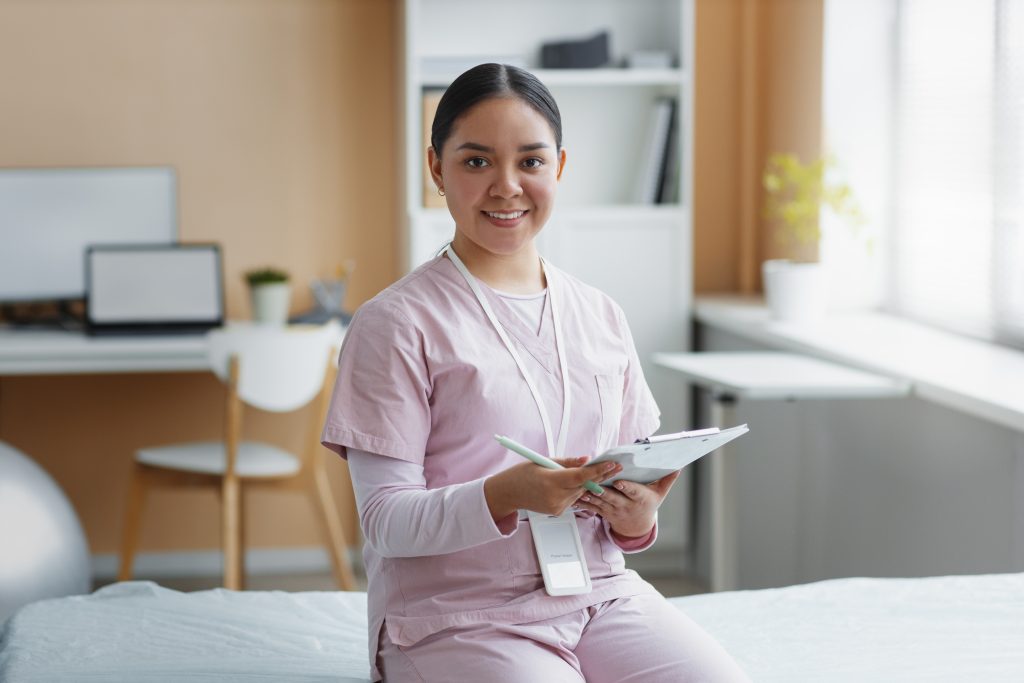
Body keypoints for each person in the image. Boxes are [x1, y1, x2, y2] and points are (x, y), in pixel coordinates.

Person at [321, 63, 749, 683]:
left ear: (559, 168)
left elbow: (635, 484)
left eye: (530, 161)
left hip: (598, 597)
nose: (506, 186)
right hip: (456, 615)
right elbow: (386, 522)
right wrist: (507, 494)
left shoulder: (599, 313)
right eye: (475, 162)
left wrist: (637, 520)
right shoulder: (394, 323)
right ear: (437, 168)